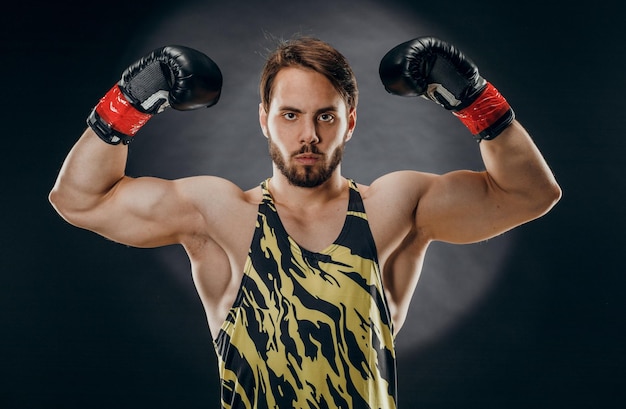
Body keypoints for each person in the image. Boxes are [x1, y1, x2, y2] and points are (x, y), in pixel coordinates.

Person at [49, 36, 561, 409]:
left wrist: (473, 97)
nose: (309, 135)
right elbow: (79, 201)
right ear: (264, 119)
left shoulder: (396, 205)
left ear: (350, 122)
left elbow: (531, 193)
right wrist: (132, 98)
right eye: (290, 115)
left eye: (326, 116)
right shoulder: (220, 213)